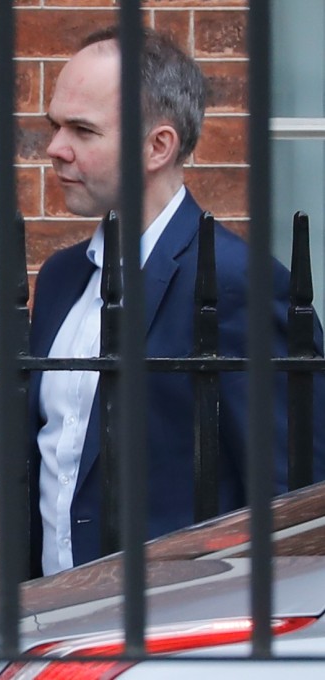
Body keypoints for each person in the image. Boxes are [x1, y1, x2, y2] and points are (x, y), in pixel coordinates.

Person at [28, 27, 325, 577]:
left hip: (180, 637)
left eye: (82, 130)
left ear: (157, 146)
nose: (55, 148)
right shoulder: (60, 280)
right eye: (55, 125)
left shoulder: (242, 286)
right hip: (52, 631)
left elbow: (299, 512)